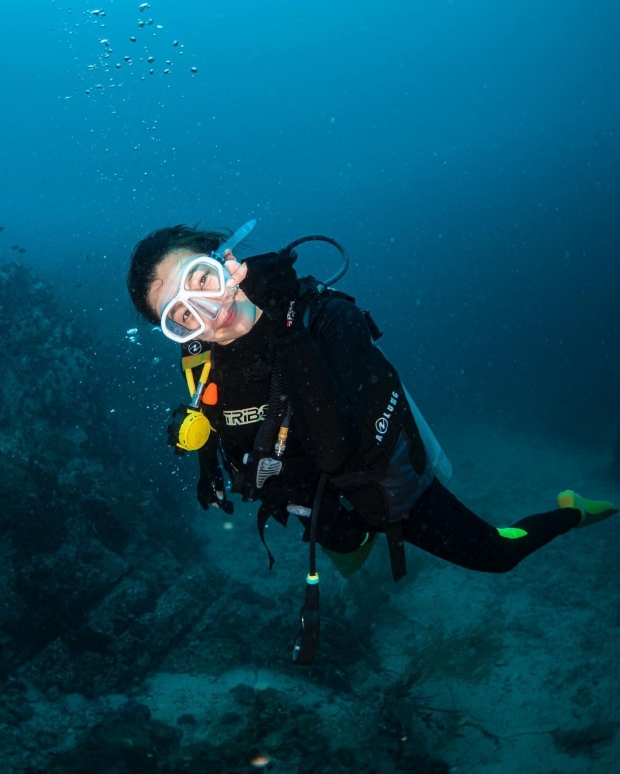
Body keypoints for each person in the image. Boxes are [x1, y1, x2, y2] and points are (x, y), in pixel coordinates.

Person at [127, 220, 618, 662]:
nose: (207, 311)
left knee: (496, 556)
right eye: (181, 315)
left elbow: (336, 449)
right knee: (353, 554)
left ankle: (573, 510)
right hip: (316, 509)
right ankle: (356, 539)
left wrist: (284, 321)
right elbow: (210, 413)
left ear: (226, 260)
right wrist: (206, 465)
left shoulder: (327, 319)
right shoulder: (200, 360)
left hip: (384, 490)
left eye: (201, 280)